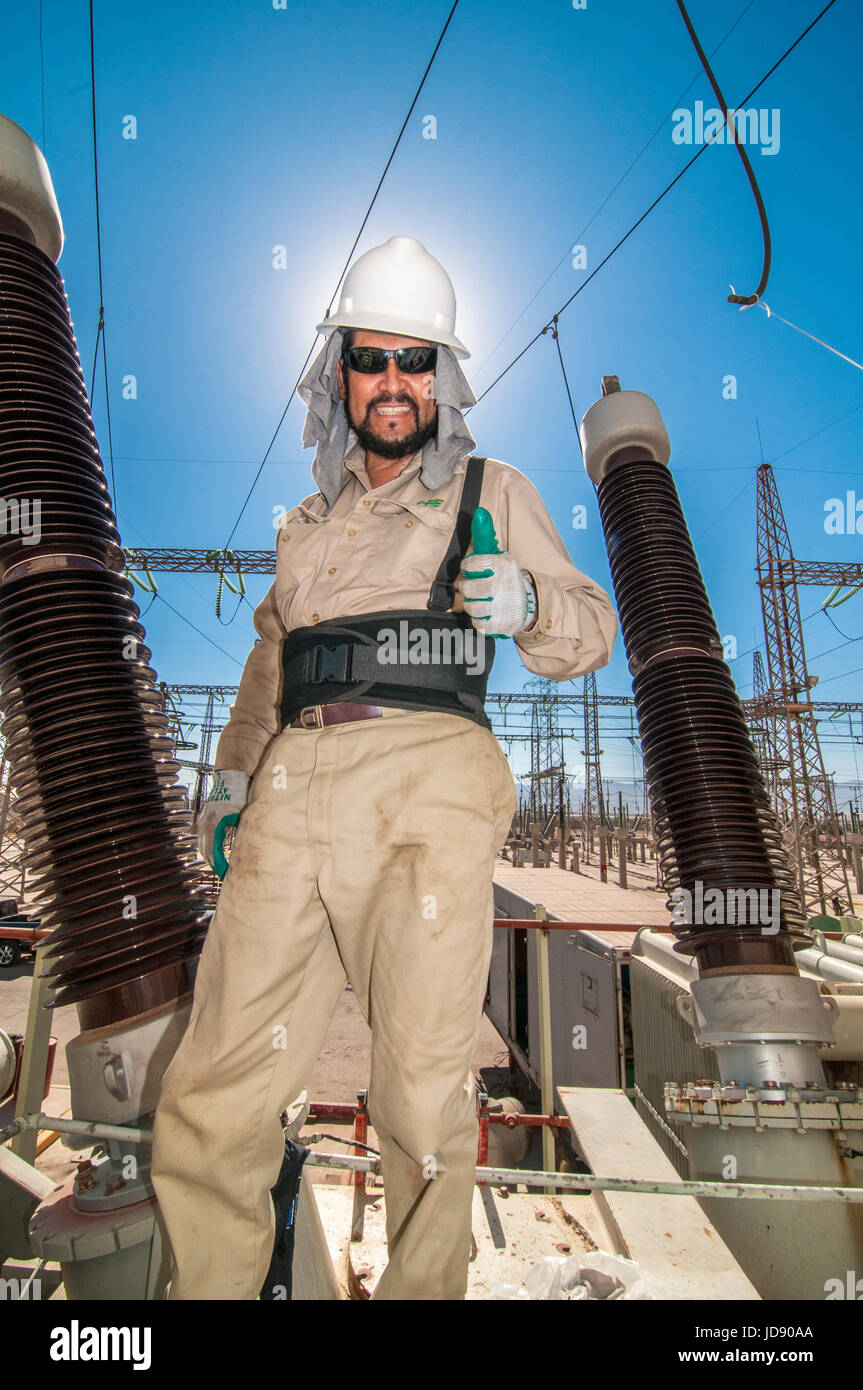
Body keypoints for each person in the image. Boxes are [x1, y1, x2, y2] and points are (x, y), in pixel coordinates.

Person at [150, 235, 617, 1300]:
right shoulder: (302, 528)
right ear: (338, 377)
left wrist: (530, 605)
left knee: (416, 1098)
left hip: (426, 786)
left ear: (441, 381)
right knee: (211, 1093)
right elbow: (267, 668)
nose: (394, 383)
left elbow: (588, 631)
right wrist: (228, 796)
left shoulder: (491, 490)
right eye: (372, 360)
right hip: (293, 794)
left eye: (417, 362)